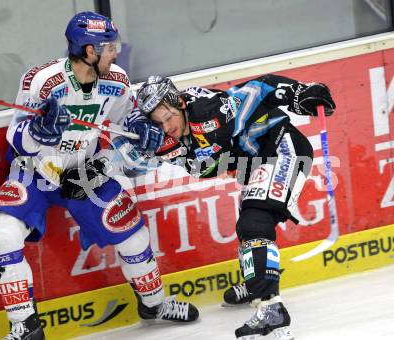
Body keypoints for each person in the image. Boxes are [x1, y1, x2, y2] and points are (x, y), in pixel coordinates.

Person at [0, 12, 199, 340]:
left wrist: (142, 128)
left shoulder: (117, 79)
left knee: (134, 238)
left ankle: (154, 305)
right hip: (37, 168)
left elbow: (126, 118)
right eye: (109, 47)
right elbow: (16, 135)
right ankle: (25, 327)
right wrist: (40, 132)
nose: (116, 52)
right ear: (88, 51)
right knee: (2, 236)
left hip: (84, 170)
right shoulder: (42, 80)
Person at [136, 74, 335, 339]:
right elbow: (126, 159)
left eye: (168, 116)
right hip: (255, 165)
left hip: (282, 148)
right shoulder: (160, 139)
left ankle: (271, 311)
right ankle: (258, 283)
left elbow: (258, 89)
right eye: (157, 121)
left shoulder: (209, 109)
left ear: (180, 103)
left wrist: (300, 94)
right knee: (251, 227)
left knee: (253, 223)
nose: (165, 125)